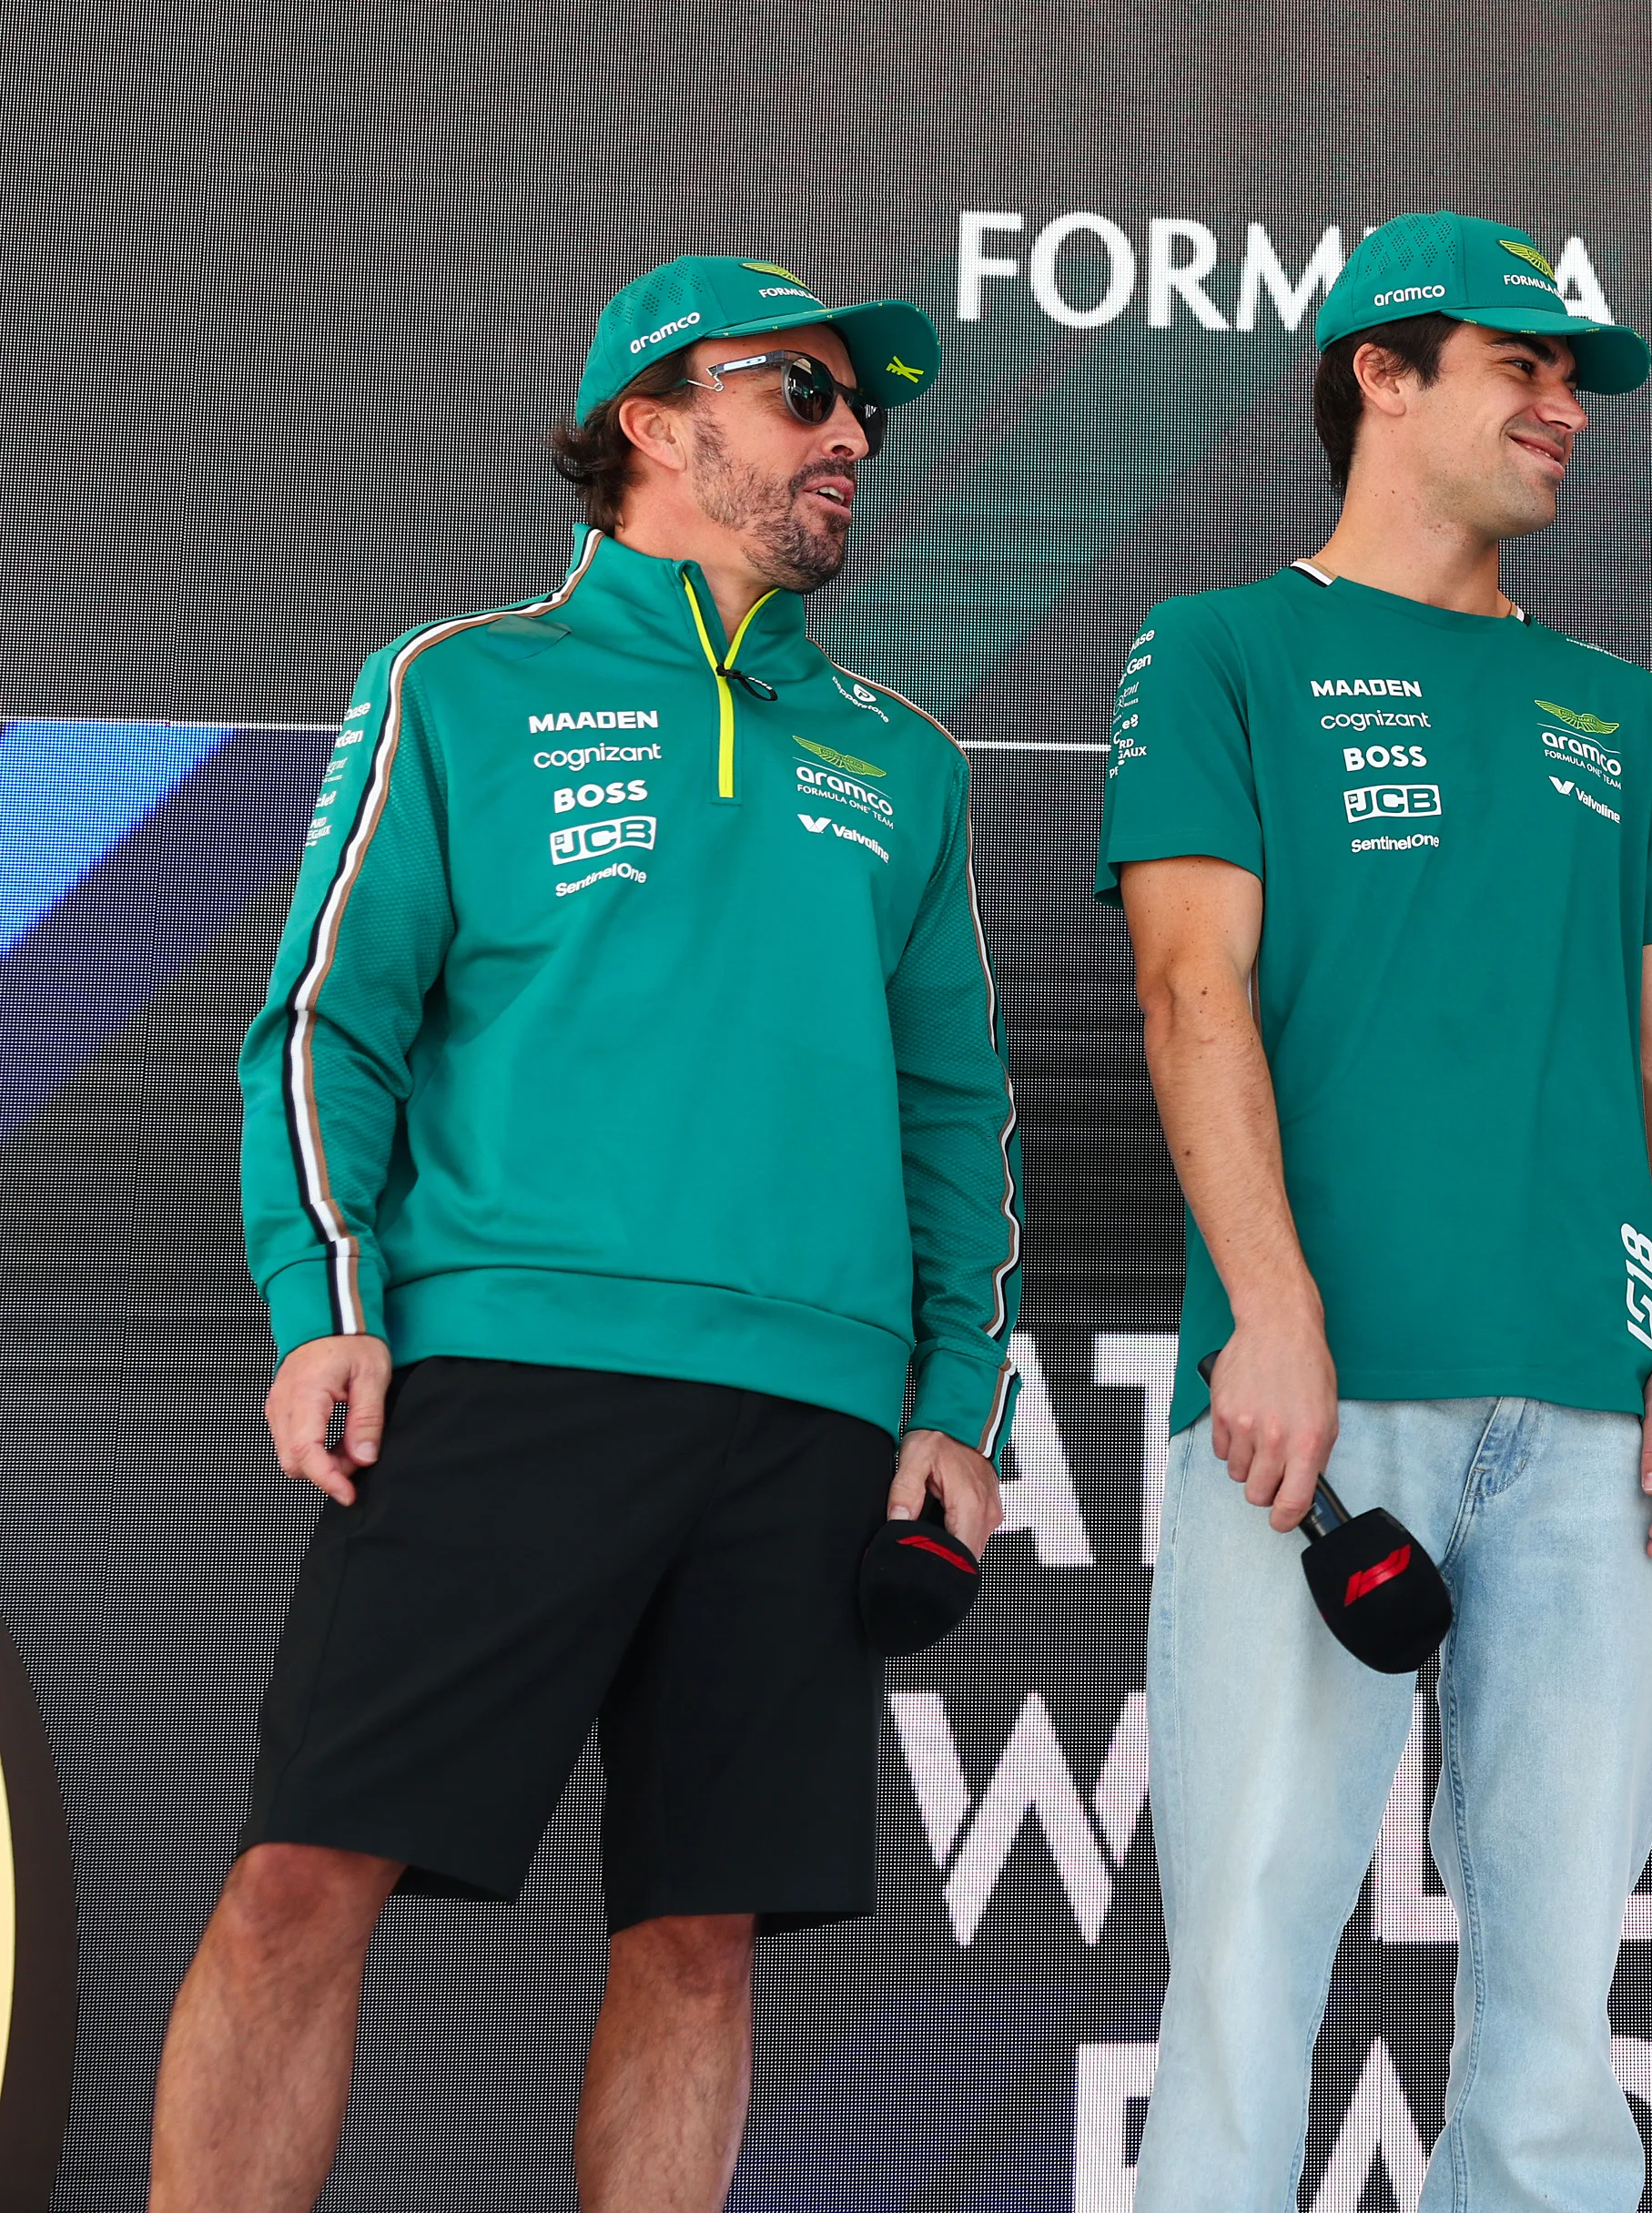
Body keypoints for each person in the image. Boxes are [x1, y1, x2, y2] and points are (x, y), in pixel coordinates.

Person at [154, 255, 1024, 2213]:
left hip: (804, 1412)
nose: (850, 436)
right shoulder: (458, 681)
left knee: (702, 1934)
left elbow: (958, 1110)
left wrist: (955, 1397)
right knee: (303, 1874)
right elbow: (324, 1024)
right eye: (800, 392)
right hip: (502, 1368)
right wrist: (323, 1302)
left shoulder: (903, 756)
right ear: (650, 416)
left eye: (858, 408)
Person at [1099, 211, 1652, 2210]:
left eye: (1575, 382)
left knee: (1560, 2001)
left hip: (1587, 1401)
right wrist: (1272, 1309)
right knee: (1242, 1964)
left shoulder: (1616, 706)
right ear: (1380, 373)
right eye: (1521, 371)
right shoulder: (1219, 646)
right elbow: (1188, 986)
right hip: (1318, 1395)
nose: (1565, 412)